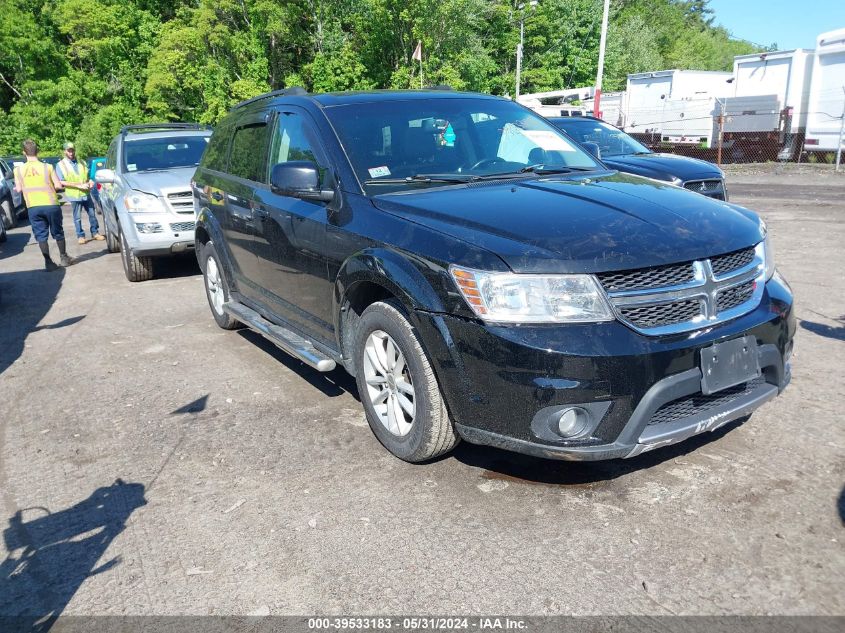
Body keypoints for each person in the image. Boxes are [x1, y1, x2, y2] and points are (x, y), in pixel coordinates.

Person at [13, 139, 72, 271]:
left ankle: (48, 262)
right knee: (58, 232)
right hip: (51, 204)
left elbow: (19, 188)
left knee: (40, 235)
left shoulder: (18, 170)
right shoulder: (48, 167)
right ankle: (64, 258)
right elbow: (58, 185)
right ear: (37, 151)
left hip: (33, 206)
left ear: (24, 153)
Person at [56, 141, 104, 244]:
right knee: (77, 217)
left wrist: (90, 182)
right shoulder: (61, 165)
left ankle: (95, 232)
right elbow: (61, 181)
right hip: (74, 195)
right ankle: (80, 236)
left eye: (72, 150)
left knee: (92, 214)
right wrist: (78, 185)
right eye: (69, 151)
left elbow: (88, 176)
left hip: (86, 193)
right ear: (65, 151)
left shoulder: (82, 162)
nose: (71, 153)